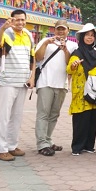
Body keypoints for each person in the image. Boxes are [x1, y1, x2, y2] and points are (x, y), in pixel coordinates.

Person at [0, 9, 36, 162]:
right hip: (8, 81)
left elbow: (32, 57)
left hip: (23, 82)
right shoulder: (7, 33)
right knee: (4, 116)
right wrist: (3, 28)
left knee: (17, 116)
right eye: (17, 20)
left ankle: (12, 145)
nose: (20, 22)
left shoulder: (28, 35)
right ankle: (1, 149)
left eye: (22, 20)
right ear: (12, 20)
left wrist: (32, 77)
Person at [34, 19, 77, 156]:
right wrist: (46, 43)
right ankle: (42, 143)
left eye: (63, 29)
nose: (60, 31)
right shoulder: (45, 42)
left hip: (62, 84)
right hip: (45, 82)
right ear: (54, 29)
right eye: (58, 28)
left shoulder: (73, 45)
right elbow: (38, 57)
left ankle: (47, 139)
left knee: (54, 114)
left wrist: (65, 50)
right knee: (43, 113)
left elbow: (70, 64)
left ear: (68, 30)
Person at [66, 23, 96, 156]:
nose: (89, 38)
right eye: (87, 35)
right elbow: (69, 68)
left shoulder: (95, 53)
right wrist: (74, 65)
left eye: (92, 36)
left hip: (94, 92)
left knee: (93, 120)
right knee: (80, 121)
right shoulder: (77, 52)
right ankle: (77, 147)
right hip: (81, 92)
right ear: (82, 37)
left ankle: (89, 145)